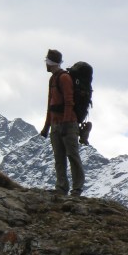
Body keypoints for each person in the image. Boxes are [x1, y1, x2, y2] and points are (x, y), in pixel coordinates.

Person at [40, 49, 85, 196]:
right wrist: (46, 127)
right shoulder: (52, 79)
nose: (45, 64)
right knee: (59, 157)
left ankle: (77, 188)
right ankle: (61, 187)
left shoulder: (64, 78)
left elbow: (69, 102)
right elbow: (50, 105)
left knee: (72, 155)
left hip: (68, 123)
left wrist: (65, 123)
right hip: (55, 124)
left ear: (51, 63)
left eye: (47, 62)